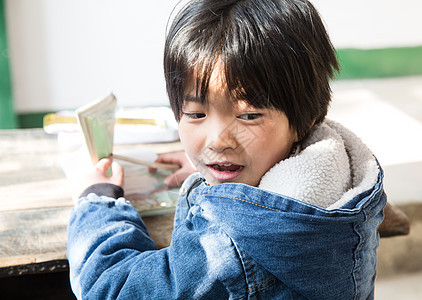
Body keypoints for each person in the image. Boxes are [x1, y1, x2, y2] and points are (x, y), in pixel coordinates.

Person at [67, 0, 386, 299]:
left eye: (248, 116)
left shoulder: (232, 246)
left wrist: (97, 201)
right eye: (195, 114)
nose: (217, 141)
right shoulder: (341, 179)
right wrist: (219, 166)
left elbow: (109, 288)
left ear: (305, 119)